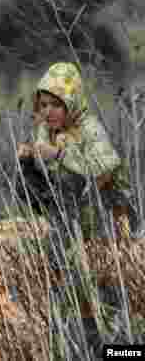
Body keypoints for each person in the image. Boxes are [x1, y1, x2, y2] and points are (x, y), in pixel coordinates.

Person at [16, 62, 137, 241]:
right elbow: (46, 168)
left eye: (56, 105)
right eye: (43, 105)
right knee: (23, 178)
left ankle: (87, 234)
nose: (48, 112)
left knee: (69, 178)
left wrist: (59, 154)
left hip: (105, 206)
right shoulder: (46, 128)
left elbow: (102, 169)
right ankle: (62, 226)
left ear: (71, 102)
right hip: (71, 201)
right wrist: (29, 157)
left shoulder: (90, 128)